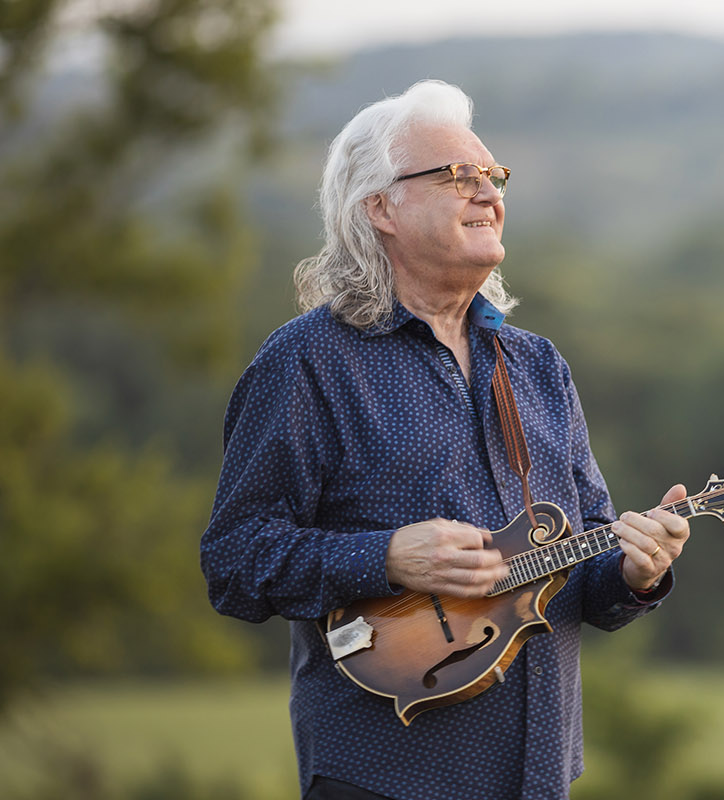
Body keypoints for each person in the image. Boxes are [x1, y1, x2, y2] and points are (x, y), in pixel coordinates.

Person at [200, 79, 690, 800]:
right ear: (381, 207)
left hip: (538, 773)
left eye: (495, 176)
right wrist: (387, 556)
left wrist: (635, 574)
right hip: (383, 776)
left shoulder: (538, 366)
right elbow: (235, 563)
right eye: (460, 176)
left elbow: (578, 566)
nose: (489, 192)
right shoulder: (307, 363)